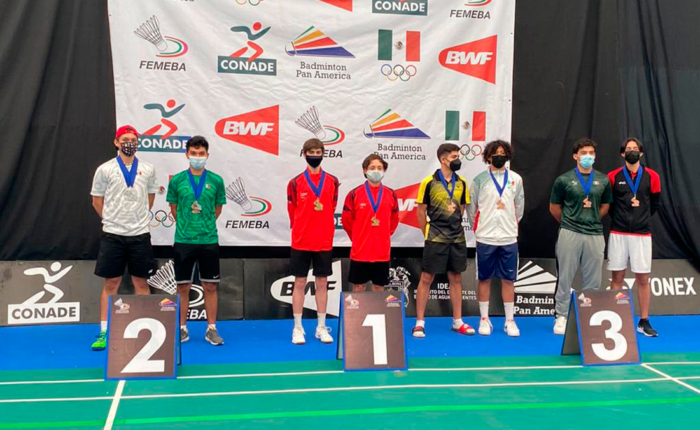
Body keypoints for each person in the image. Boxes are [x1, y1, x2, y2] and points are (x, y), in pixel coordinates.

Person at [90, 125, 159, 351]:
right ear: (116, 142)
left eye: (133, 140)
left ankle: (145, 329)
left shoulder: (147, 169)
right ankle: (104, 331)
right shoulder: (105, 169)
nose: (129, 143)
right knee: (111, 283)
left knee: (141, 283)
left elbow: (150, 198)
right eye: (125, 139)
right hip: (113, 235)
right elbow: (96, 200)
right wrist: (112, 220)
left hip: (140, 234)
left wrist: (137, 218)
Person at [167, 136, 227, 345]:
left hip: (208, 240)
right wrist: (187, 225)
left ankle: (211, 328)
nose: (197, 157)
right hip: (183, 240)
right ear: (187, 154)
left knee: (210, 286)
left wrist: (204, 224)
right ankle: (182, 328)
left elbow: (217, 209)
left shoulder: (216, 180)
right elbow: (173, 208)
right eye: (194, 153)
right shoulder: (176, 180)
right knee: (183, 287)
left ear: (207, 155)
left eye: (201, 154)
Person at [549, 138, 612, 335]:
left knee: (593, 279)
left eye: (591, 153)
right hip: (570, 232)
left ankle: (589, 315)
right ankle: (561, 316)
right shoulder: (564, 180)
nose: (588, 156)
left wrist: (593, 219)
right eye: (584, 153)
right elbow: (554, 207)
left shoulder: (603, 180)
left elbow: (605, 205)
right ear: (575, 156)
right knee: (565, 277)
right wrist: (570, 222)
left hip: (595, 233)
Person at [413, 143, 473, 338]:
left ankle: (458, 321)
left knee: (456, 277)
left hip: (457, 237)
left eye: (458, 156)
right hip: (435, 236)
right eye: (454, 157)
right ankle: (419, 322)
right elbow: (421, 212)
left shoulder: (462, 182)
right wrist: (428, 233)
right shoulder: (429, 182)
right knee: (426, 278)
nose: (458, 160)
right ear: (443, 159)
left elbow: (461, 209)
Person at [467, 140, 524, 337]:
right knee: (484, 278)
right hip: (485, 237)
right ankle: (484, 319)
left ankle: (510, 320)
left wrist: (509, 224)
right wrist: (480, 228)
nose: (499, 156)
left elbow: (519, 207)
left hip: (509, 238)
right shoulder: (479, 180)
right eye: (495, 153)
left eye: (502, 153)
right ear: (488, 156)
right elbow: (472, 209)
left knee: (508, 280)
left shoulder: (516, 179)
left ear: (507, 155)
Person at [287, 138, 340, 345]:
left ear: (323, 154)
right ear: (304, 154)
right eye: (311, 152)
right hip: (301, 240)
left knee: (322, 283)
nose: (315, 156)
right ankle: (298, 327)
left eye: (318, 152)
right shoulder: (295, 182)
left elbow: (332, 206)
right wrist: (303, 227)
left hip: (323, 240)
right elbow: (293, 210)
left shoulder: (332, 181)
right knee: (299, 282)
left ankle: (321, 327)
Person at [607, 138, 662, 337]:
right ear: (622, 154)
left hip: (641, 234)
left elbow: (655, 204)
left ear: (641, 153)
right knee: (617, 277)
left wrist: (641, 218)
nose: (632, 151)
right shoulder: (613, 176)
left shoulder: (652, 176)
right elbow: (609, 204)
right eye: (628, 149)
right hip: (618, 233)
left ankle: (644, 321)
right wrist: (621, 218)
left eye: (635, 149)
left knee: (643, 278)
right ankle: (615, 317)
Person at [342, 154, 399, 292]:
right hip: (360, 251)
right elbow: (346, 221)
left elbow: (394, 220)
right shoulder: (354, 194)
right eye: (372, 168)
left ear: (384, 170)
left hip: (382, 252)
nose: (376, 171)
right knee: (358, 287)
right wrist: (358, 238)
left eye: (379, 168)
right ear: (365, 170)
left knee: (379, 287)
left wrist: (383, 235)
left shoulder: (391, 194)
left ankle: (377, 308)